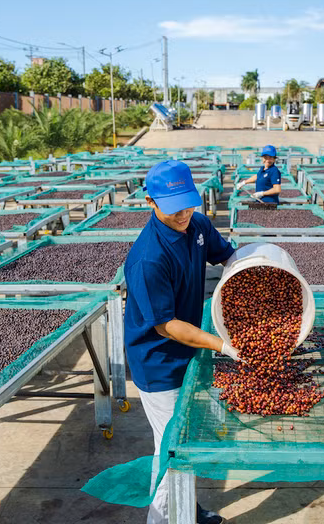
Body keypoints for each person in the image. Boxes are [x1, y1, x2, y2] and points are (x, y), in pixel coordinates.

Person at [124, 159, 240, 524]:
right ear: (150, 202)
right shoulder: (147, 259)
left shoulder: (199, 224)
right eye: (174, 208)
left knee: (188, 439)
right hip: (159, 362)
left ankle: (186, 507)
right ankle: (161, 518)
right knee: (171, 448)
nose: (183, 214)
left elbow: (227, 256)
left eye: (188, 203)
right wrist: (223, 345)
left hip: (189, 352)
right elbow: (167, 326)